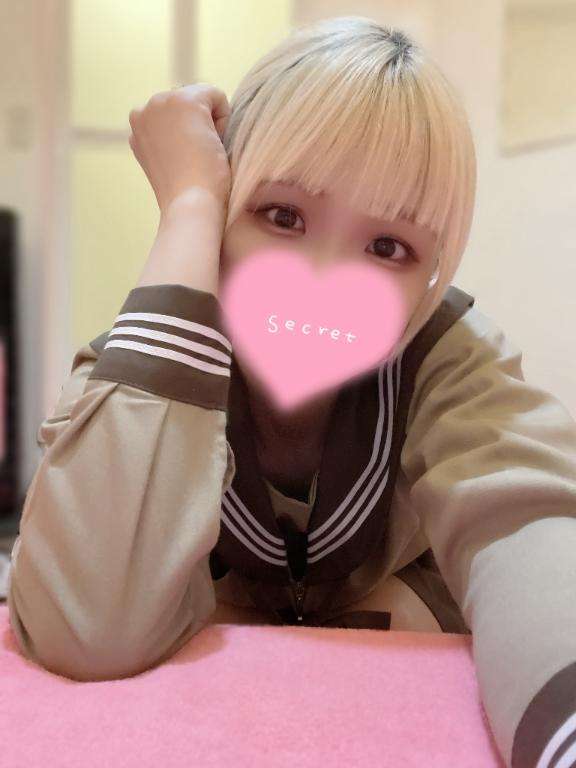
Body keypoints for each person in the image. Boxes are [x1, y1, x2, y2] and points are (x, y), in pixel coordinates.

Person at [7, 16, 576, 768]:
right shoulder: (141, 358)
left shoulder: (450, 361)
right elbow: (85, 625)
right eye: (282, 215)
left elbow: (530, 524)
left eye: (388, 246)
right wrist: (187, 205)